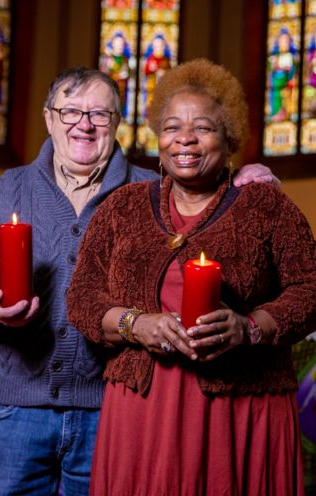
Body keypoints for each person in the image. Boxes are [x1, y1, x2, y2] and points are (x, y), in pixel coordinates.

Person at [0, 66, 277, 495]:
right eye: (70, 111)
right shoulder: (11, 187)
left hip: (115, 408)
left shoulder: (154, 190)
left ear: (118, 123)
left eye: (100, 114)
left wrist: (249, 189)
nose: (84, 124)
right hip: (19, 408)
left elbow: (219, 229)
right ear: (49, 118)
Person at [67, 58, 316, 495]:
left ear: (229, 139)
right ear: (158, 138)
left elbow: (311, 289)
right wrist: (134, 323)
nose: (185, 138)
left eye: (202, 127)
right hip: (144, 411)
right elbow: (82, 296)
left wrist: (249, 327)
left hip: (240, 409)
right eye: (171, 127)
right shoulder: (120, 208)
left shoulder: (267, 207)